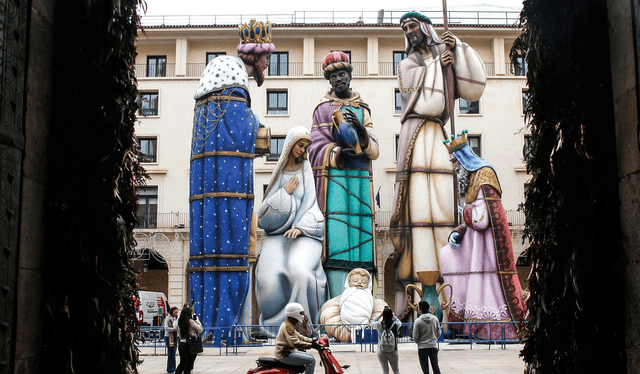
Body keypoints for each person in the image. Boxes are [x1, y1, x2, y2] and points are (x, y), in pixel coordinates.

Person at [390, 11, 486, 289]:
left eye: (412, 26)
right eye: (405, 28)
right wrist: (437, 66)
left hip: (438, 137)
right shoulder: (407, 63)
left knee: (443, 205)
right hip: (417, 137)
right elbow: (421, 97)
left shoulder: (443, 53)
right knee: (419, 208)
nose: (409, 31)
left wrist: (455, 47)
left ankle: (450, 280)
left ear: (424, 27)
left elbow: (473, 89)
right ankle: (420, 285)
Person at [188, 19, 274, 331]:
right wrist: (261, 131)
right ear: (255, 57)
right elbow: (240, 127)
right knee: (231, 246)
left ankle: (219, 325)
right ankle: (224, 329)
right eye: (266, 57)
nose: (267, 64)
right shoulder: (234, 87)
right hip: (228, 185)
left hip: (209, 181)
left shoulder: (215, 91)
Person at [440, 130, 526, 339]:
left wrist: (466, 212)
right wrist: (458, 231)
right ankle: (461, 319)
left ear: (464, 161)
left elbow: (482, 220)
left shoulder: (485, 175)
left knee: (484, 282)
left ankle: (488, 325)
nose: (456, 169)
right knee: (447, 254)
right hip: (472, 244)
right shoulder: (472, 179)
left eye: (456, 163)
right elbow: (471, 222)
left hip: (486, 250)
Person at [308, 51, 380, 299]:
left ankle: (365, 298)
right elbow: (314, 146)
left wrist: (362, 134)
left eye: (342, 74)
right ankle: (336, 300)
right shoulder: (322, 109)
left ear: (350, 77)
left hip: (360, 179)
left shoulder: (363, 109)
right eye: (333, 76)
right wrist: (338, 152)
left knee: (363, 240)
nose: (338, 79)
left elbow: (376, 149)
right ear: (329, 81)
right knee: (338, 237)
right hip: (336, 179)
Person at [256, 126, 326, 332]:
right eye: (300, 145)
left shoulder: (305, 168)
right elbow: (264, 209)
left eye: (305, 147)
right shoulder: (279, 173)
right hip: (277, 235)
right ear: (290, 145)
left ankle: (303, 326)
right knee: (269, 277)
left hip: (303, 233)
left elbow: (310, 201)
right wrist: (285, 193)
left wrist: (299, 226)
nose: (302, 151)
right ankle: (274, 325)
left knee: (300, 272)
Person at [320, 268, 387, 342]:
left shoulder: (368, 296)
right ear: (349, 282)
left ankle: (363, 333)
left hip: (365, 318)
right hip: (346, 319)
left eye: (364, 282)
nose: (359, 283)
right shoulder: (345, 295)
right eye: (355, 281)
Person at [274, 303, 317, 374]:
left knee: (311, 356)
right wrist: (311, 345)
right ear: (295, 314)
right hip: (285, 355)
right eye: (301, 313)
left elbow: (299, 336)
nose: (302, 315)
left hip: (288, 352)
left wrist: (311, 341)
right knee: (311, 360)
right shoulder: (288, 326)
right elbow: (295, 343)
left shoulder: (289, 324)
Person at [371, 306, 402, 374]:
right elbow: (399, 322)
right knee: (396, 370)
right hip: (393, 350)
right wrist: (393, 316)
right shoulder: (395, 325)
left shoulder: (379, 324)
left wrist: (380, 315)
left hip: (381, 350)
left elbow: (372, 322)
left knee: (385, 371)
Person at [413, 301, 441, 374]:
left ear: (420, 310)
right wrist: (434, 338)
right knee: (435, 367)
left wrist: (418, 342)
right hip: (433, 345)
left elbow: (415, 336)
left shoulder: (418, 321)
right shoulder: (435, 319)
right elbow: (439, 332)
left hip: (422, 347)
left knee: (425, 369)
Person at [174, 305, 203, 374]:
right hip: (190, 344)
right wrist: (197, 321)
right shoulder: (190, 321)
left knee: (182, 363)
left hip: (182, 343)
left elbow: (177, 331)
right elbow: (199, 329)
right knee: (189, 364)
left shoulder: (179, 322)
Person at [164, 306, 179, 373]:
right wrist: (174, 329)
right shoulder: (168, 318)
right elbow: (166, 328)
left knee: (173, 352)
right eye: (175, 312)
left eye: (177, 312)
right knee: (171, 352)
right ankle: (170, 368)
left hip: (175, 336)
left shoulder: (177, 318)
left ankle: (173, 367)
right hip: (169, 336)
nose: (176, 313)